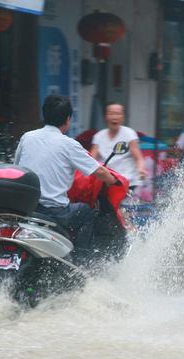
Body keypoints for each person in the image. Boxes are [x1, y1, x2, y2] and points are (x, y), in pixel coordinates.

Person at [14, 94, 117, 257]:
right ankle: (81, 264)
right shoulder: (69, 144)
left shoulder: (26, 138)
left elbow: (17, 168)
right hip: (54, 211)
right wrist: (113, 181)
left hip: (26, 208)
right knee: (85, 212)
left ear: (44, 114)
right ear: (68, 120)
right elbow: (99, 171)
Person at [90, 102, 146, 187]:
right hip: (105, 181)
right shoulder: (98, 136)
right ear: (106, 117)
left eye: (117, 114)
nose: (114, 117)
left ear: (123, 117)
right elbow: (91, 160)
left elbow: (138, 158)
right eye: (111, 114)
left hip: (127, 181)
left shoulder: (129, 134)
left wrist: (141, 169)